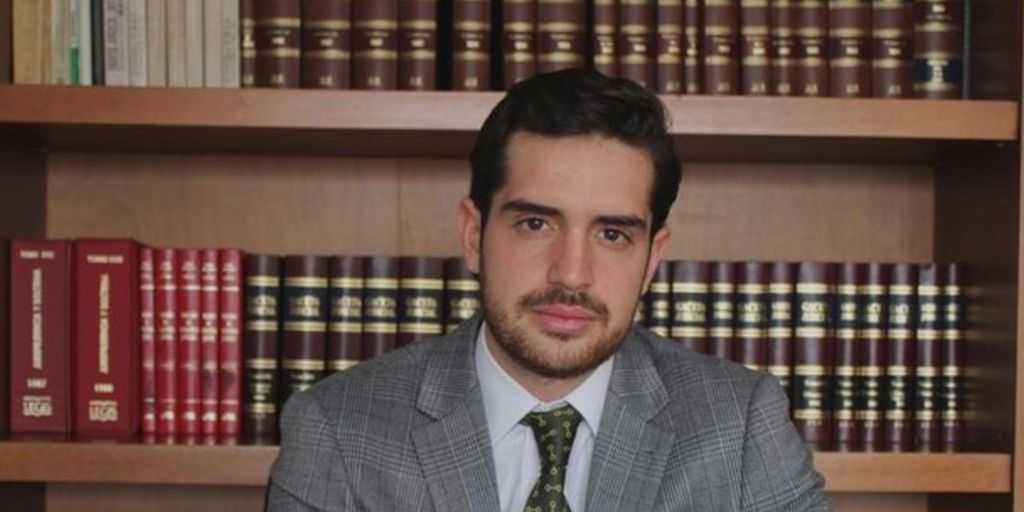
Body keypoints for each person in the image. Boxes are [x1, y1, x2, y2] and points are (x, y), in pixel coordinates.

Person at [267, 68, 829, 511]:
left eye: (612, 234)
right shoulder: (338, 430)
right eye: (535, 224)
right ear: (473, 234)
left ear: (652, 259)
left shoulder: (741, 427)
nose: (571, 274)